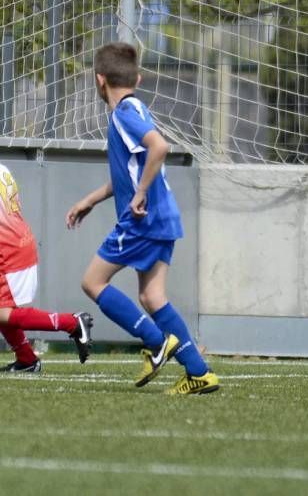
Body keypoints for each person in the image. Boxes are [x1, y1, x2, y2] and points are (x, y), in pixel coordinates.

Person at [65, 42, 219, 395]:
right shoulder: (136, 107)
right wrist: (91, 199)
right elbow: (130, 172)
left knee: (92, 282)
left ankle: (154, 340)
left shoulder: (124, 114)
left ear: (99, 80)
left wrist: (139, 194)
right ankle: (198, 371)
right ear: (138, 77)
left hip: (143, 218)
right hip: (163, 217)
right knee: (152, 298)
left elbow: (159, 147)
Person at [0, 109, 92, 372]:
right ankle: (27, 360)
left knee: (5, 313)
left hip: (8, 251)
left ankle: (72, 322)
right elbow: (1, 208)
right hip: (13, 245)